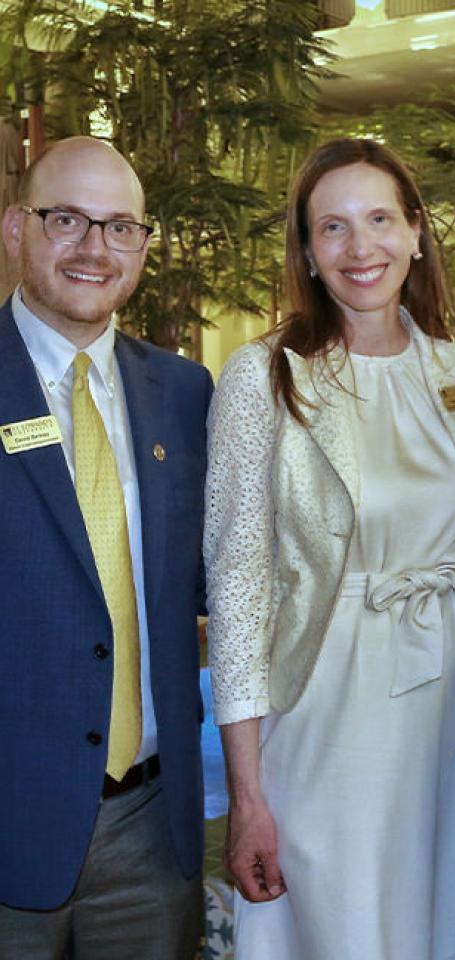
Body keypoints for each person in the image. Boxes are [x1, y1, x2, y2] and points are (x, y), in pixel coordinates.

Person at [205, 138, 455, 960]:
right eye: (331, 227)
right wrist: (247, 793)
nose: (359, 247)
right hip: (328, 710)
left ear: (415, 231)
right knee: (340, 927)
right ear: (306, 249)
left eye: (378, 219)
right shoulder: (262, 376)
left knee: (447, 922)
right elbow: (237, 592)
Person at [0, 137, 211, 958]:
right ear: (17, 227)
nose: (95, 249)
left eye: (121, 227)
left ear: (145, 247)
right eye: (67, 220)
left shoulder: (186, 394)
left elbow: (214, 582)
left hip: (152, 833)